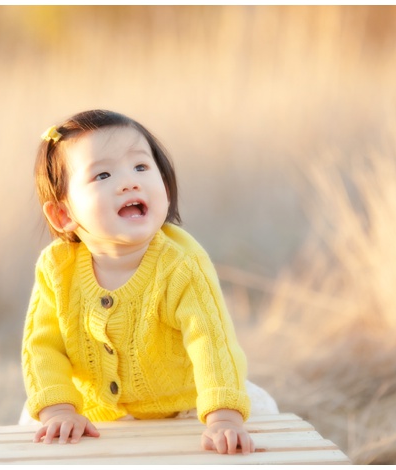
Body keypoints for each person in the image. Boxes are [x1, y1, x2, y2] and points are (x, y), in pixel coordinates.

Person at [21, 109, 276, 455]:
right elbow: (42, 346)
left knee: (232, 442)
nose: (129, 182)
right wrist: (60, 409)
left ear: (165, 186)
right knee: (40, 429)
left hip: (189, 406)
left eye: (141, 167)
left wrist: (223, 417)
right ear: (63, 214)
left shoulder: (181, 266)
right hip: (96, 415)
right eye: (103, 174)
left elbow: (211, 342)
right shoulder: (57, 269)